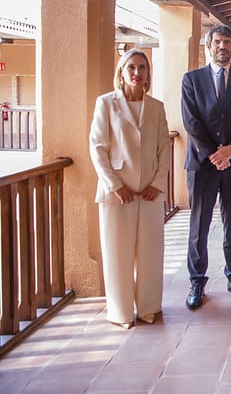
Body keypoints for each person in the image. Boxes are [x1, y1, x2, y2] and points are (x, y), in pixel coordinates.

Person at [89, 49, 170, 328]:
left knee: (150, 253)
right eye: (132, 67)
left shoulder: (156, 107)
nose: (138, 72)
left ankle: (149, 308)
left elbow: (164, 149)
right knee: (117, 253)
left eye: (143, 67)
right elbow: (98, 148)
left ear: (148, 73)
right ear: (121, 72)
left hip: (149, 192)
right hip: (116, 195)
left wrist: (157, 185)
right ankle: (121, 312)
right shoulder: (105, 104)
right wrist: (115, 185)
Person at [182, 25, 231, 310]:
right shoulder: (192, 80)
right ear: (208, 45)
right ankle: (197, 280)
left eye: (227, 42)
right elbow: (190, 121)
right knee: (199, 224)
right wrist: (214, 153)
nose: (222, 47)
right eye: (217, 42)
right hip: (203, 164)